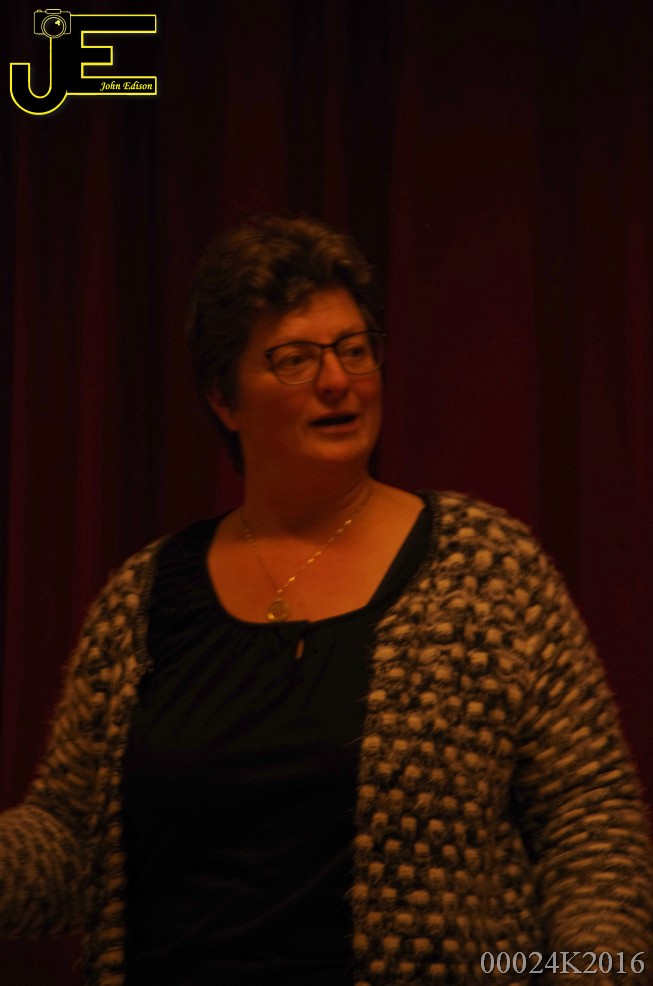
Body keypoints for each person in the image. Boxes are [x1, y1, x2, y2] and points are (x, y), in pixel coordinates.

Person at [1, 213, 651, 986]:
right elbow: (72, 839)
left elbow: (590, 817)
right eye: (294, 360)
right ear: (222, 398)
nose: (337, 380)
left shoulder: (484, 568)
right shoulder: (141, 598)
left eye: (353, 349)